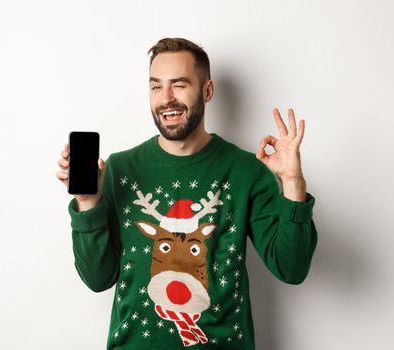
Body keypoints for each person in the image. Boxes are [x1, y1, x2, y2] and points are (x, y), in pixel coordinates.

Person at [56, 37, 318, 349]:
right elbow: (97, 279)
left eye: (179, 84)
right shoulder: (117, 170)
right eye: (156, 86)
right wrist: (88, 203)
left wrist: (292, 184)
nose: (166, 98)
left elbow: (291, 268)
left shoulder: (247, 171)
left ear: (207, 90)